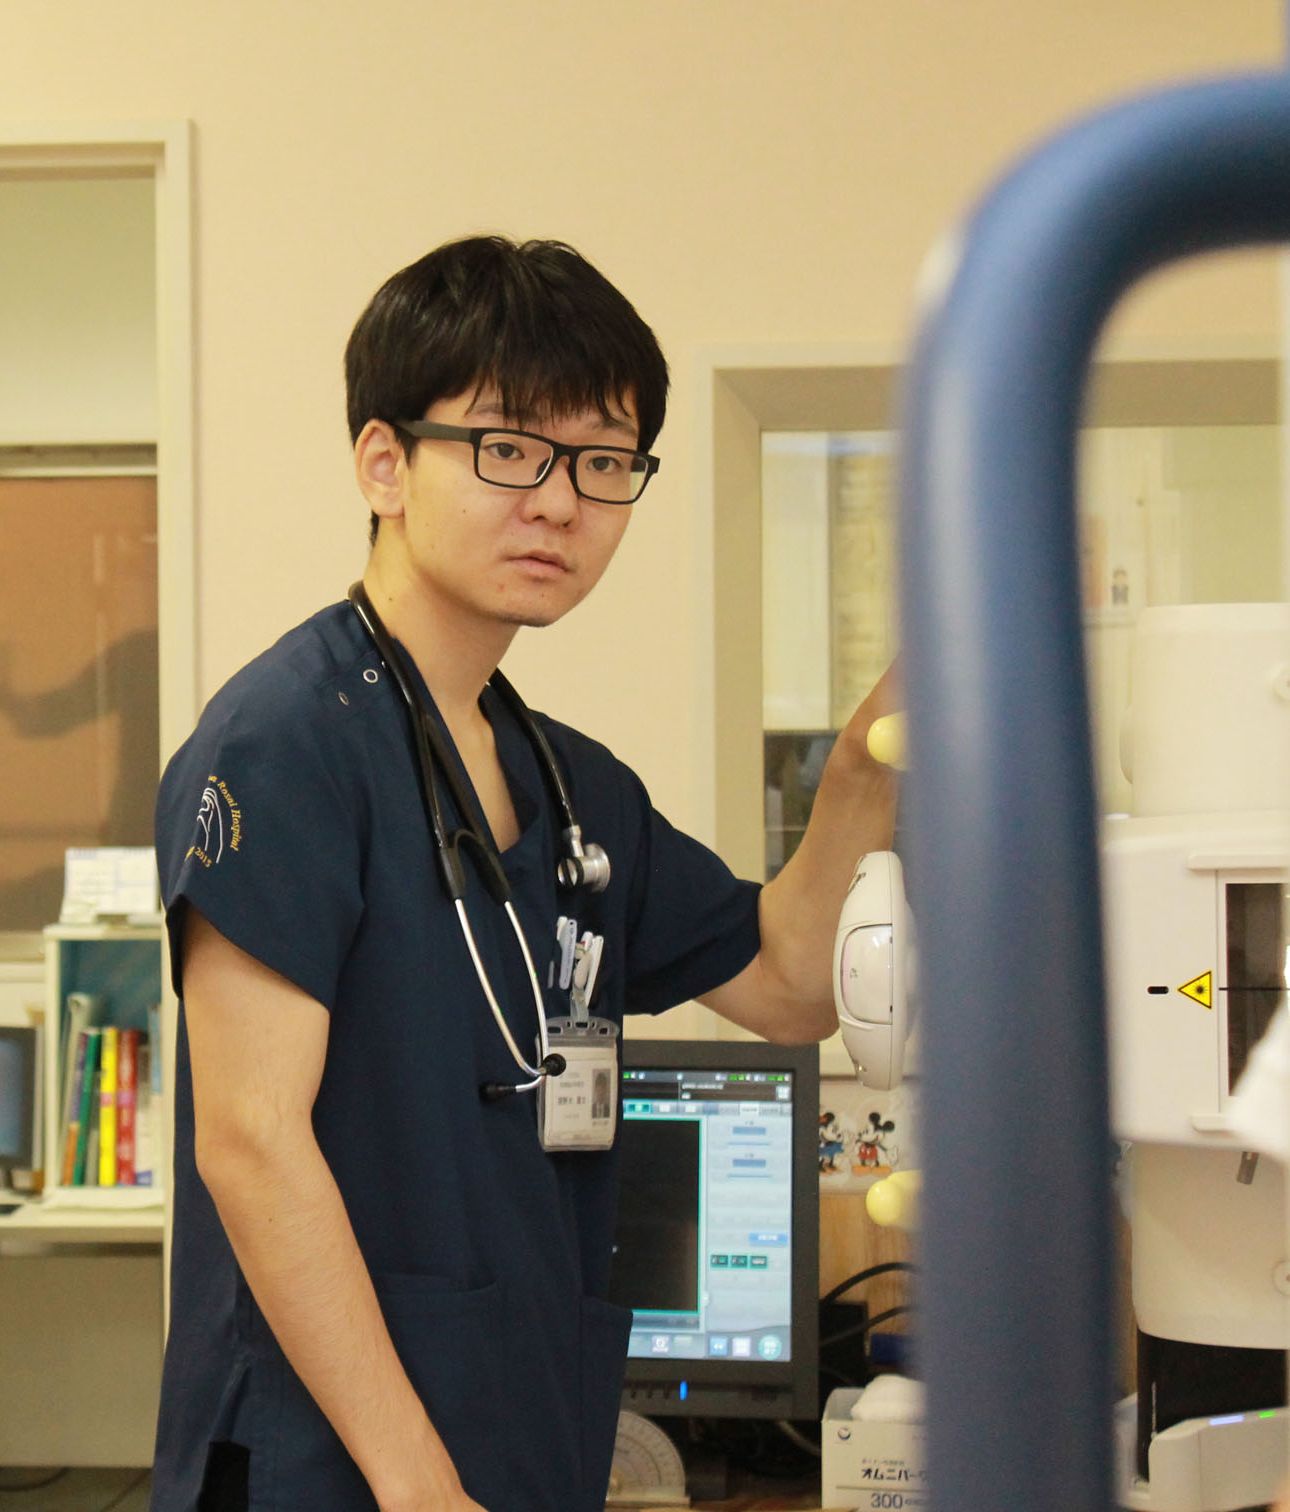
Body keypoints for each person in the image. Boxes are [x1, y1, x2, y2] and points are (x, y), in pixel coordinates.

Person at [151, 236, 897, 1512]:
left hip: (516, 1426)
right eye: (511, 448)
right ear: (383, 462)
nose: (560, 502)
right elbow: (251, 1142)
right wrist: (418, 1486)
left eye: (604, 461)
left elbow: (788, 985)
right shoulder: (286, 747)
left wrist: (871, 763)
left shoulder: (573, 787)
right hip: (336, 1465)